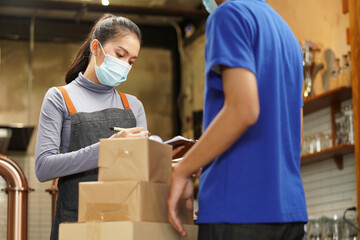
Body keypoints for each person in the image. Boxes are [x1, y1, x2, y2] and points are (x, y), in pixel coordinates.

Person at [167, 0, 307, 239]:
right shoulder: (288, 35)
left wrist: (182, 169)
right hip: (290, 214)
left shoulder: (229, 15)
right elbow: (296, 138)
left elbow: (243, 109)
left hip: (237, 211)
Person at [35, 14, 149, 240]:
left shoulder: (133, 106)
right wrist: (106, 151)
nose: (125, 65)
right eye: (120, 55)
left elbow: (143, 171)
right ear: (96, 47)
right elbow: (43, 167)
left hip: (124, 223)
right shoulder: (59, 98)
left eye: (131, 61)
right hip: (75, 224)